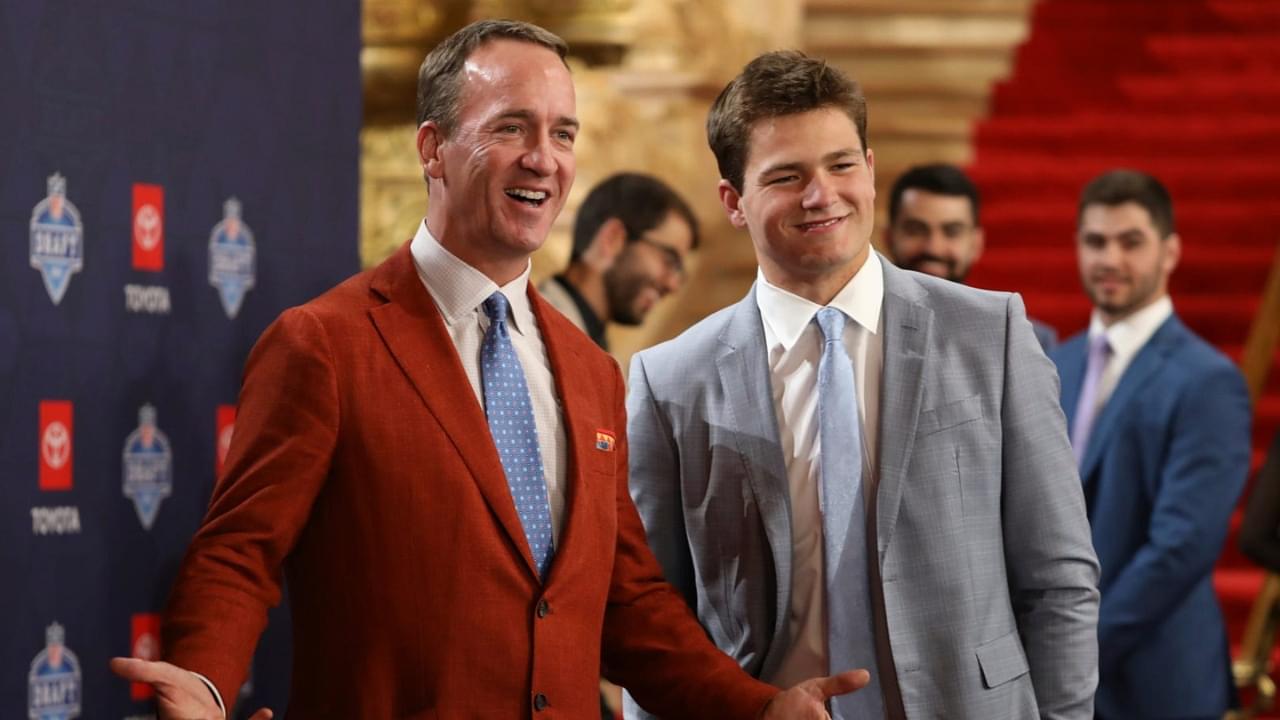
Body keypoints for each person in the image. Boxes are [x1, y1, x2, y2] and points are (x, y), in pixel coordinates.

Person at [109, 20, 868, 719]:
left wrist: (757, 707)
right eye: (511, 127)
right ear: (432, 148)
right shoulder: (324, 344)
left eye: (563, 132)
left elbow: (626, 601)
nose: (544, 157)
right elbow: (239, 552)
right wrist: (204, 683)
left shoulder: (592, 370)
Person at [625, 50, 1100, 720]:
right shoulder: (669, 379)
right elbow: (656, 625)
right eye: (787, 176)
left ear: (871, 171)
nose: (822, 196)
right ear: (733, 201)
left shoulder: (989, 333)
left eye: (841, 165)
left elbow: (1059, 580)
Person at [1049, 169, 1252, 720]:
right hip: (1057, 680)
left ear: (1170, 252)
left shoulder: (1209, 380)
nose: (1109, 258)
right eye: (1095, 241)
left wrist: (1078, 648)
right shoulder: (1053, 365)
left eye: (1130, 241)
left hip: (1157, 680)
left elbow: (1182, 546)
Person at [884, 163, 1057, 351]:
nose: (934, 247)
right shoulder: (855, 327)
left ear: (976, 244)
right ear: (889, 237)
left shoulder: (1026, 341)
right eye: (916, 230)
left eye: (952, 232)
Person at [540, 172, 698, 350]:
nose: (672, 285)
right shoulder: (534, 333)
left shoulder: (591, 345)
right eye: (669, 261)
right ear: (613, 239)